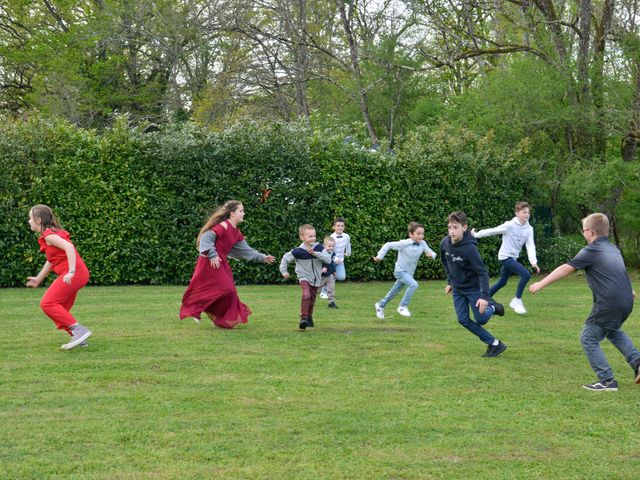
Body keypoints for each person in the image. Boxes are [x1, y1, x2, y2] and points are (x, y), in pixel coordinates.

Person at [530, 213, 640, 391]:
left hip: (609, 302)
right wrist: (629, 290)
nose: (583, 233)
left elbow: (567, 268)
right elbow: (619, 271)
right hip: (625, 300)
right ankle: (638, 363)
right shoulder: (613, 249)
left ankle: (607, 381)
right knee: (612, 331)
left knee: (588, 338)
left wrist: (541, 283)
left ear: (591, 232)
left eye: (584, 230)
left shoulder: (592, 250)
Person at [180, 200, 275, 328]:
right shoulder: (224, 226)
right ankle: (200, 309)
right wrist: (212, 255)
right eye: (240, 211)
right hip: (210, 262)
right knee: (225, 290)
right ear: (232, 214)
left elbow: (246, 251)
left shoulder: (236, 232)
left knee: (229, 292)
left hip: (221, 263)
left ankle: (220, 320)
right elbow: (206, 237)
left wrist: (262, 257)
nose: (243, 213)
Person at [26, 204, 92, 350]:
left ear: (38, 220)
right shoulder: (49, 235)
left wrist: (71, 271)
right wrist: (38, 279)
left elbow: (69, 248)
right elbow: (51, 260)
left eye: (30, 218)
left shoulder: (49, 235)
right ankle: (79, 337)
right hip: (76, 274)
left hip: (74, 274)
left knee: (47, 303)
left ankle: (79, 330)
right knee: (60, 308)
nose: (28, 221)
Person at [440, 212, 506, 357]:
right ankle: (495, 344)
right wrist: (450, 282)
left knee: (481, 319)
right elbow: (446, 263)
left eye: (455, 227)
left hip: (473, 288)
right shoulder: (444, 243)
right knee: (462, 319)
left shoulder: (470, 249)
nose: (451, 231)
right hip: (458, 289)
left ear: (464, 228)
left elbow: (483, 273)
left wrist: (483, 296)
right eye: (449, 227)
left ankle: (493, 307)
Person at [472, 201, 540, 314]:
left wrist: (533, 261)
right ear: (517, 213)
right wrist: (476, 235)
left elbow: (530, 245)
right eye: (524, 212)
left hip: (513, 258)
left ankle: (484, 298)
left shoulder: (529, 229)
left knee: (502, 282)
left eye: (528, 212)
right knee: (526, 274)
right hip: (505, 257)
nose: (527, 215)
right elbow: (493, 231)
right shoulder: (509, 225)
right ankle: (516, 300)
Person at [373, 222, 437, 319]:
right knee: (414, 284)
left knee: (394, 291)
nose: (421, 236)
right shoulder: (404, 243)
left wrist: (431, 255)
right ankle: (402, 306)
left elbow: (432, 252)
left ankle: (380, 305)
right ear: (411, 234)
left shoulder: (423, 244)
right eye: (418, 233)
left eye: (423, 234)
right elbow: (387, 245)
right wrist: (379, 257)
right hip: (400, 271)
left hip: (409, 273)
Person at [279, 224, 332, 330]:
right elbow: (285, 258)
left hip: (316, 278)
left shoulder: (319, 248)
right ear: (302, 237)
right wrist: (284, 271)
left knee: (312, 299)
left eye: (314, 236)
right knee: (306, 294)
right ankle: (303, 319)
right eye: (310, 236)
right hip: (303, 277)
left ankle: (309, 317)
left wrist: (316, 254)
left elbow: (328, 260)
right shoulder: (298, 251)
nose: (313, 238)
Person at [320, 218, 351, 300]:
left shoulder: (347, 236)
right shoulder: (331, 237)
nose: (340, 227)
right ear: (334, 227)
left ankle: (327, 288)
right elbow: (328, 250)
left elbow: (348, 245)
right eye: (338, 226)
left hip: (341, 261)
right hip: (331, 261)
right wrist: (335, 258)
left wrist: (348, 253)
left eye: (342, 226)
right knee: (330, 276)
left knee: (341, 277)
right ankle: (323, 292)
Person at [319, 236, 339, 309]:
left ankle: (331, 303)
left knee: (331, 289)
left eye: (333, 246)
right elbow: (318, 263)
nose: (331, 248)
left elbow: (332, 263)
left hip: (330, 275)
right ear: (324, 246)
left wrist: (334, 271)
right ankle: (310, 301)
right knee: (316, 289)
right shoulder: (321, 254)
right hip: (322, 276)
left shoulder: (333, 254)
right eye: (329, 246)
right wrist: (322, 268)